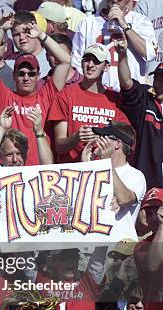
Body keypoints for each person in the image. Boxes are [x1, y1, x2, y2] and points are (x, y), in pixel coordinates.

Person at [0, 13, 71, 166]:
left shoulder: (46, 95)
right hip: (8, 171)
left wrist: (42, 36)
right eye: (21, 73)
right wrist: (1, 30)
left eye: (31, 73)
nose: (26, 78)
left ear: (38, 75)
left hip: (38, 173)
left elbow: (66, 61)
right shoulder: (4, 97)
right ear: (14, 75)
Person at [50, 43, 130, 163]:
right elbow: (59, 146)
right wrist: (76, 138)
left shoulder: (114, 99)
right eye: (86, 60)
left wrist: (107, 141)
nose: (90, 65)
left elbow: (128, 140)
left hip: (104, 170)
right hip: (74, 171)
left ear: (106, 67)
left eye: (96, 61)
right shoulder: (66, 95)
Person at [71, 0, 157, 91]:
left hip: (129, 93)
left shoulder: (140, 21)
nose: (115, 0)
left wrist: (125, 26)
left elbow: (149, 53)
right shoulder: (87, 23)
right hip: (97, 93)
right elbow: (76, 62)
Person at [81, 122, 147, 237]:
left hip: (118, 248)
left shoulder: (135, 175)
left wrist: (107, 163)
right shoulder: (94, 169)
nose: (97, 141)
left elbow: (124, 199)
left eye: (103, 138)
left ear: (117, 144)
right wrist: (86, 167)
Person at [117, 37, 163, 189]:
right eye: (156, 79)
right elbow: (126, 83)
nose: (158, 84)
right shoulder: (145, 98)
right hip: (145, 183)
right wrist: (122, 54)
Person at [6, 11, 53, 78]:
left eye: (26, 32)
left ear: (35, 30)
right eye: (16, 34)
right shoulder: (8, 66)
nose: (22, 37)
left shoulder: (53, 60)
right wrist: (1, 30)